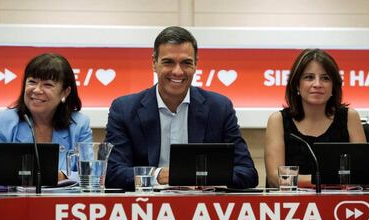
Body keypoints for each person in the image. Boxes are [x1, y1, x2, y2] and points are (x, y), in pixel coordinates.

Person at [105, 26, 258, 191]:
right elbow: (113, 174)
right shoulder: (124, 109)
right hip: (145, 209)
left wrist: (202, 176)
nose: (178, 71)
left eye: (186, 63)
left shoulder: (219, 108)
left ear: (196, 65)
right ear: (154, 63)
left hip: (204, 209)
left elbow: (248, 173)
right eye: (168, 62)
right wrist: (160, 175)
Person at [0, 53, 92, 188]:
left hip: (62, 206)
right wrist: (55, 176)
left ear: (65, 92)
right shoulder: (0, 122)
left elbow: (90, 176)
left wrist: (61, 175)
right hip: (16, 205)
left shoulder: (79, 125)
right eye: (32, 82)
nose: (37, 90)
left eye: (48, 85)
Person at [264, 49, 366, 188]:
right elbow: (275, 178)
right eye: (309, 77)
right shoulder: (278, 120)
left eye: (325, 78)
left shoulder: (350, 117)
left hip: (340, 205)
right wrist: (323, 180)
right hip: (291, 205)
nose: (317, 84)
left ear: (333, 87)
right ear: (296, 85)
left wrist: (311, 180)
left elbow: (362, 174)